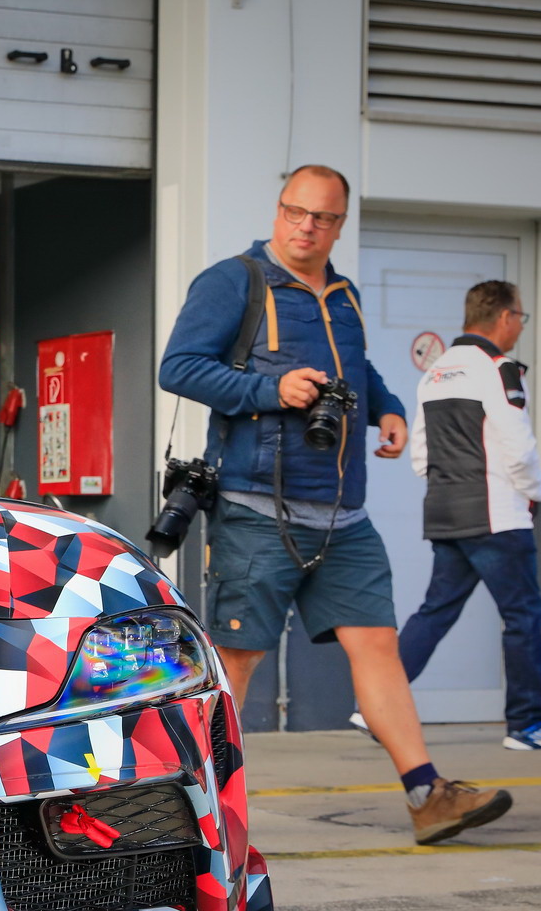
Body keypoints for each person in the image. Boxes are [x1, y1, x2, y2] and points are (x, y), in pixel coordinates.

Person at [160, 164, 512, 844]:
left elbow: (360, 369)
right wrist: (272, 388)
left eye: (322, 218)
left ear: (339, 224)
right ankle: (189, 813)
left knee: (378, 645)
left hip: (344, 515)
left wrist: (387, 409)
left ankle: (427, 795)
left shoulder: (344, 294)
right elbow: (178, 366)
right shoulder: (235, 281)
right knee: (237, 663)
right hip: (257, 508)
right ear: (278, 211)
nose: (306, 227)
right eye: (296, 211)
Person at [400, 282, 541, 751]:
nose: (521, 325)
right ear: (504, 317)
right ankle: (528, 725)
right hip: (498, 515)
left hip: (445, 509)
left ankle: (377, 703)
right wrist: (534, 494)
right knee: (523, 616)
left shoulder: (436, 372)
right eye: (520, 316)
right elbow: (517, 444)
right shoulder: (499, 369)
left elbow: (420, 452)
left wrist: (445, 487)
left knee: (436, 610)